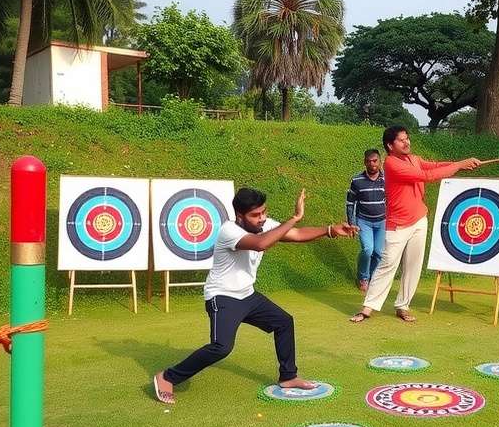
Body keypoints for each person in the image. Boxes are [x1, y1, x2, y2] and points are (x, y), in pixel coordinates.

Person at [153, 187, 358, 404]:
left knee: (284, 322)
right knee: (221, 348)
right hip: (222, 297)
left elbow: (295, 234)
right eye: (255, 215)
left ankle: (288, 376)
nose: (262, 219)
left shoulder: (265, 225)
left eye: (264, 212)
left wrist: (330, 230)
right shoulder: (229, 231)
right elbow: (261, 244)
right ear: (240, 216)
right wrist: (295, 217)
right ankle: (167, 377)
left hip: (248, 296)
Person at [349, 125, 481, 323]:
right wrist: (459, 165)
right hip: (397, 224)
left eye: (407, 138)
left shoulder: (414, 159)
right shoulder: (392, 164)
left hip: (419, 219)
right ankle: (368, 308)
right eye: (401, 140)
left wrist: (460, 163)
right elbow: (426, 176)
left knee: (413, 266)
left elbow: (434, 166)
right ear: (390, 145)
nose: (407, 142)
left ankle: (403, 305)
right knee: (387, 264)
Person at [346, 149, 386, 292]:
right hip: (364, 221)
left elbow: (392, 200)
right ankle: (363, 277)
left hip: (382, 222)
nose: (372, 164)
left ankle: (372, 276)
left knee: (379, 252)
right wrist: (351, 223)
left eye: (375, 161)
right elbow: (350, 203)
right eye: (369, 161)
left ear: (380, 161)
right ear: (364, 162)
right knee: (368, 249)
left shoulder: (386, 179)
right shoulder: (357, 180)